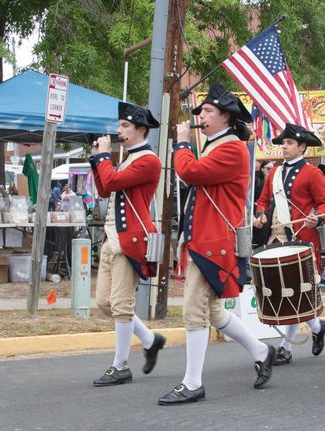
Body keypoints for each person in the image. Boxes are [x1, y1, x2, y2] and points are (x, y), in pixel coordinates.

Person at [158, 84, 275, 405]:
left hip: (215, 242)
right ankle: (262, 350)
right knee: (212, 311)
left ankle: (192, 382)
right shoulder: (214, 145)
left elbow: (189, 172)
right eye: (202, 112)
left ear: (225, 116)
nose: (201, 116)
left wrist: (181, 143)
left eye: (208, 111)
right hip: (203, 240)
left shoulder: (232, 148)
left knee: (195, 309)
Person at [90, 101, 166, 386]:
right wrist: (99, 158)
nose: (119, 130)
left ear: (141, 130)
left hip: (131, 240)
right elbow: (103, 187)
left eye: (125, 126)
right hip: (113, 238)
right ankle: (150, 339)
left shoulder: (148, 160)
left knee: (121, 304)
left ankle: (120, 365)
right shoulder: (128, 158)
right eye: (120, 125)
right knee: (104, 302)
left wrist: (105, 157)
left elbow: (111, 183)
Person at [253, 123, 325, 365]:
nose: (284, 147)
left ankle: (286, 347)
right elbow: (263, 201)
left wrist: (317, 218)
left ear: (302, 147)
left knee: (298, 291)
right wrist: (261, 215)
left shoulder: (313, 174)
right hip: (277, 237)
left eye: (289, 143)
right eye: (283, 143)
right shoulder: (275, 173)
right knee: (285, 291)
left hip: (302, 239)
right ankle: (317, 327)